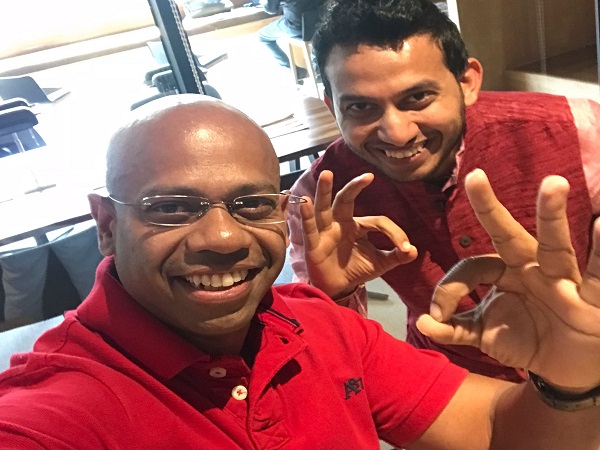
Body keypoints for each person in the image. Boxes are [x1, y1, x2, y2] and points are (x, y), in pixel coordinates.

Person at [1, 94, 600, 449]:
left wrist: (570, 379)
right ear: (107, 223)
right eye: (172, 208)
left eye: (251, 203)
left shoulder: (320, 325)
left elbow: (497, 430)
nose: (223, 239)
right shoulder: (54, 416)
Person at [287, 0, 600, 382]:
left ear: (467, 82)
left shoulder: (581, 129)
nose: (397, 133)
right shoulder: (320, 199)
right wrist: (334, 296)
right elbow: (332, 360)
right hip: (448, 378)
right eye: (360, 106)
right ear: (331, 106)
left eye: (417, 97)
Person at [257, 0, 326, 76]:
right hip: (322, 21)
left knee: (262, 36)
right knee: (313, 33)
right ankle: (319, 71)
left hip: (297, 26)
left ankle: (295, 71)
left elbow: (271, 9)